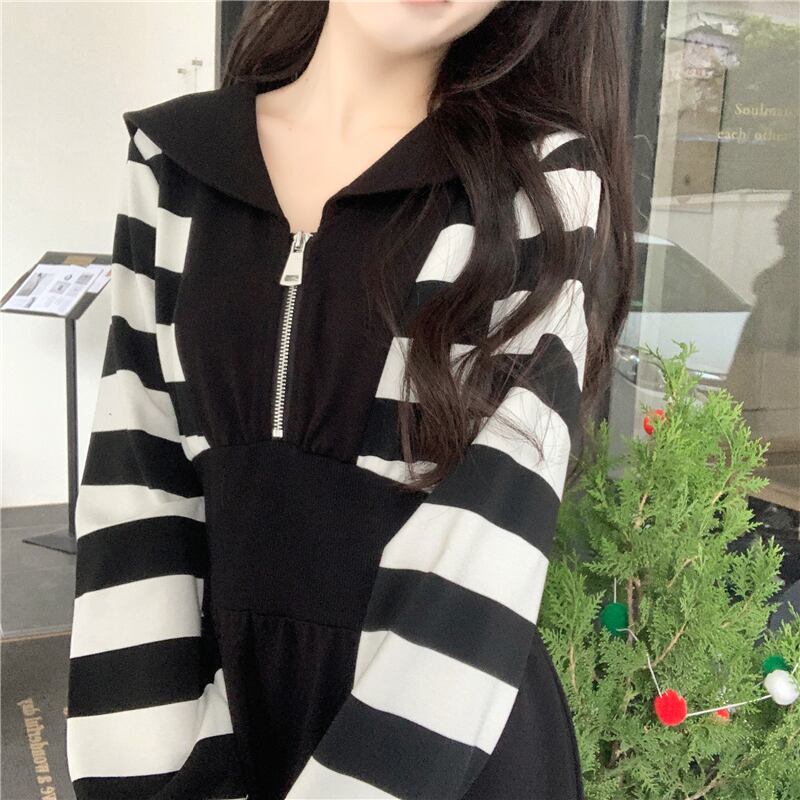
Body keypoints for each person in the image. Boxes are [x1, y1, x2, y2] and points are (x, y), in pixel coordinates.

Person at [65, 1, 634, 799]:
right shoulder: (176, 163)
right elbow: (138, 495)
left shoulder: (538, 187)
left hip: (434, 742)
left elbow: (485, 542)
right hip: (217, 719)